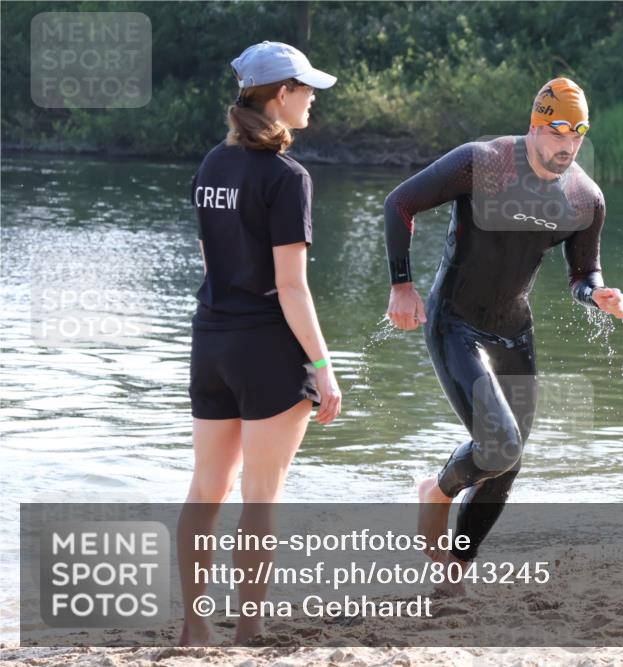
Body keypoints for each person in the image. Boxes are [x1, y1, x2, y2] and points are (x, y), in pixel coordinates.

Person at [383, 78, 623, 591]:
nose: (569, 145)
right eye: (559, 132)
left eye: (578, 135)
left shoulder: (585, 198)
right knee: (499, 447)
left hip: (514, 332)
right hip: (454, 322)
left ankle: (454, 573)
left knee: (507, 466)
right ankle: (436, 490)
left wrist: (596, 295)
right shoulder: (483, 163)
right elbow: (400, 204)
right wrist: (402, 286)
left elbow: (583, 273)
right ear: (536, 125)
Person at [177, 41, 342, 645]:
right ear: (280, 95)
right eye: (305, 89)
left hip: (210, 343)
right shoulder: (287, 176)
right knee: (260, 495)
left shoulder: (212, 165)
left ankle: (195, 628)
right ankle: (248, 628)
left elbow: (209, 259)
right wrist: (323, 366)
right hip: (267, 350)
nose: (312, 100)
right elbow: (291, 288)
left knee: (205, 489)